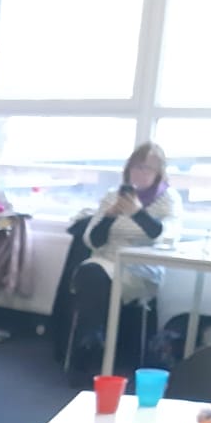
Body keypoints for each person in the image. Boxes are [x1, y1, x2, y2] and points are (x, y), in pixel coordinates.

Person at [69, 141, 181, 372]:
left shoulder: (168, 199)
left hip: (141, 267)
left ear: (158, 173)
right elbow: (92, 239)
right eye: (136, 167)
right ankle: (94, 339)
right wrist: (110, 216)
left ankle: (92, 348)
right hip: (107, 260)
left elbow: (166, 236)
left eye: (147, 168)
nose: (140, 173)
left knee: (95, 281)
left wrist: (138, 213)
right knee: (90, 272)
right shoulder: (114, 195)